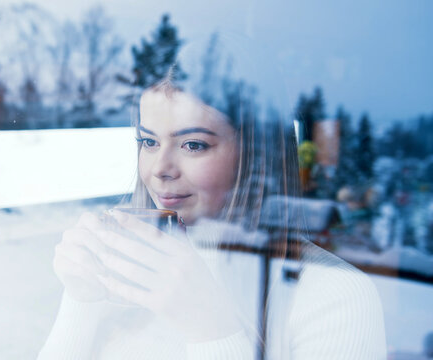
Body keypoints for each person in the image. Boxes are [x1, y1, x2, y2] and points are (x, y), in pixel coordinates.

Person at [38, 74, 386, 359]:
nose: (160, 169)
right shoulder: (127, 267)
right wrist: (81, 302)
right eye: (148, 142)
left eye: (193, 145)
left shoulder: (335, 294)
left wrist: (211, 328)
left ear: (255, 157)